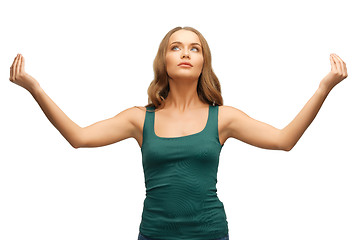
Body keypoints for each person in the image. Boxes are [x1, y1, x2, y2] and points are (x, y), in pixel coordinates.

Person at [9, 26, 348, 240]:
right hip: (155, 234)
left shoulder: (224, 118)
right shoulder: (139, 119)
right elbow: (79, 137)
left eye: (194, 48)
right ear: (164, 61)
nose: (185, 52)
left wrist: (323, 89)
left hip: (210, 233)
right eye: (176, 47)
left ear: (203, 62)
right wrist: (34, 88)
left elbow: (284, 140)